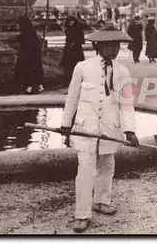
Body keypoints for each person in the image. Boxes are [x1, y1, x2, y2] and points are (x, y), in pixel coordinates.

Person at [60, 24, 140, 233]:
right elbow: (72, 98)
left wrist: (130, 130)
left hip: (109, 127)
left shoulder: (122, 71)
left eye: (117, 46)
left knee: (107, 165)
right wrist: (65, 125)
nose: (113, 50)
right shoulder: (82, 67)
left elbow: (127, 103)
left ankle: (102, 200)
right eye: (109, 46)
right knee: (85, 169)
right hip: (86, 127)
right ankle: (82, 213)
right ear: (98, 46)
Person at [14, 16, 45, 94]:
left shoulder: (26, 31)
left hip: (28, 54)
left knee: (27, 70)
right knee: (37, 69)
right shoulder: (31, 30)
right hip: (35, 54)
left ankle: (29, 88)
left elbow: (26, 44)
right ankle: (40, 86)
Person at [59, 16, 85, 84]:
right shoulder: (67, 29)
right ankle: (68, 79)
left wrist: (75, 43)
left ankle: (77, 79)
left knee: (76, 64)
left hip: (76, 50)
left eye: (72, 21)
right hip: (68, 49)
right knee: (68, 65)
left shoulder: (78, 29)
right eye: (70, 21)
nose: (71, 22)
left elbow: (82, 40)